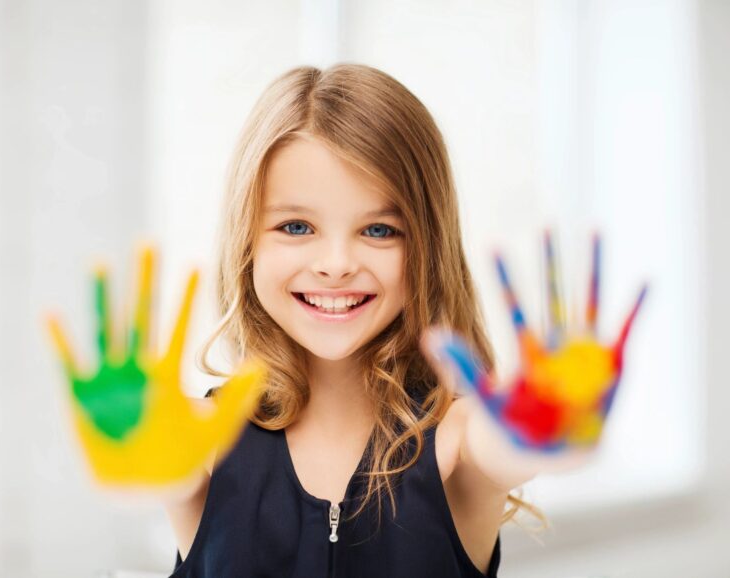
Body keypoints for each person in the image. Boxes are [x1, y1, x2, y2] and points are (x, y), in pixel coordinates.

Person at [163, 63, 550, 578]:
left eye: (381, 230)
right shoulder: (201, 437)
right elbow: (158, 471)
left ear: (428, 247)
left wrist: (545, 420)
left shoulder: (459, 443)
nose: (337, 262)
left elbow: (503, 450)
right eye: (296, 226)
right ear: (247, 242)